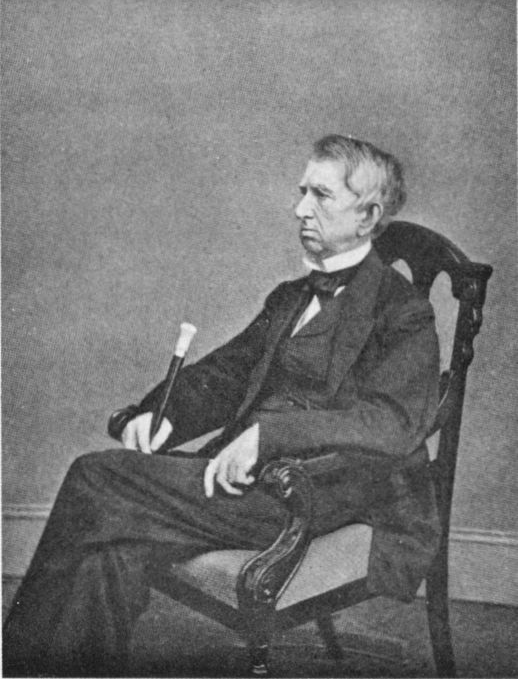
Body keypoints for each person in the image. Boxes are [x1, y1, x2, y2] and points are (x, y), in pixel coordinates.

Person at [3, 135, 441, 677]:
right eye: (302, 191)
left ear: (368, 215)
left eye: (321, 195)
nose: (300, 209)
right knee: (111, 551)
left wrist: (268, 438)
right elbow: (223, 375)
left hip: (316, 492)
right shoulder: (291, 297)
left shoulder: (404, 311)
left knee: (95, 477)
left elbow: (392, 424)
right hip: (242, 484)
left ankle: (15, 663)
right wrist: (160, 415)